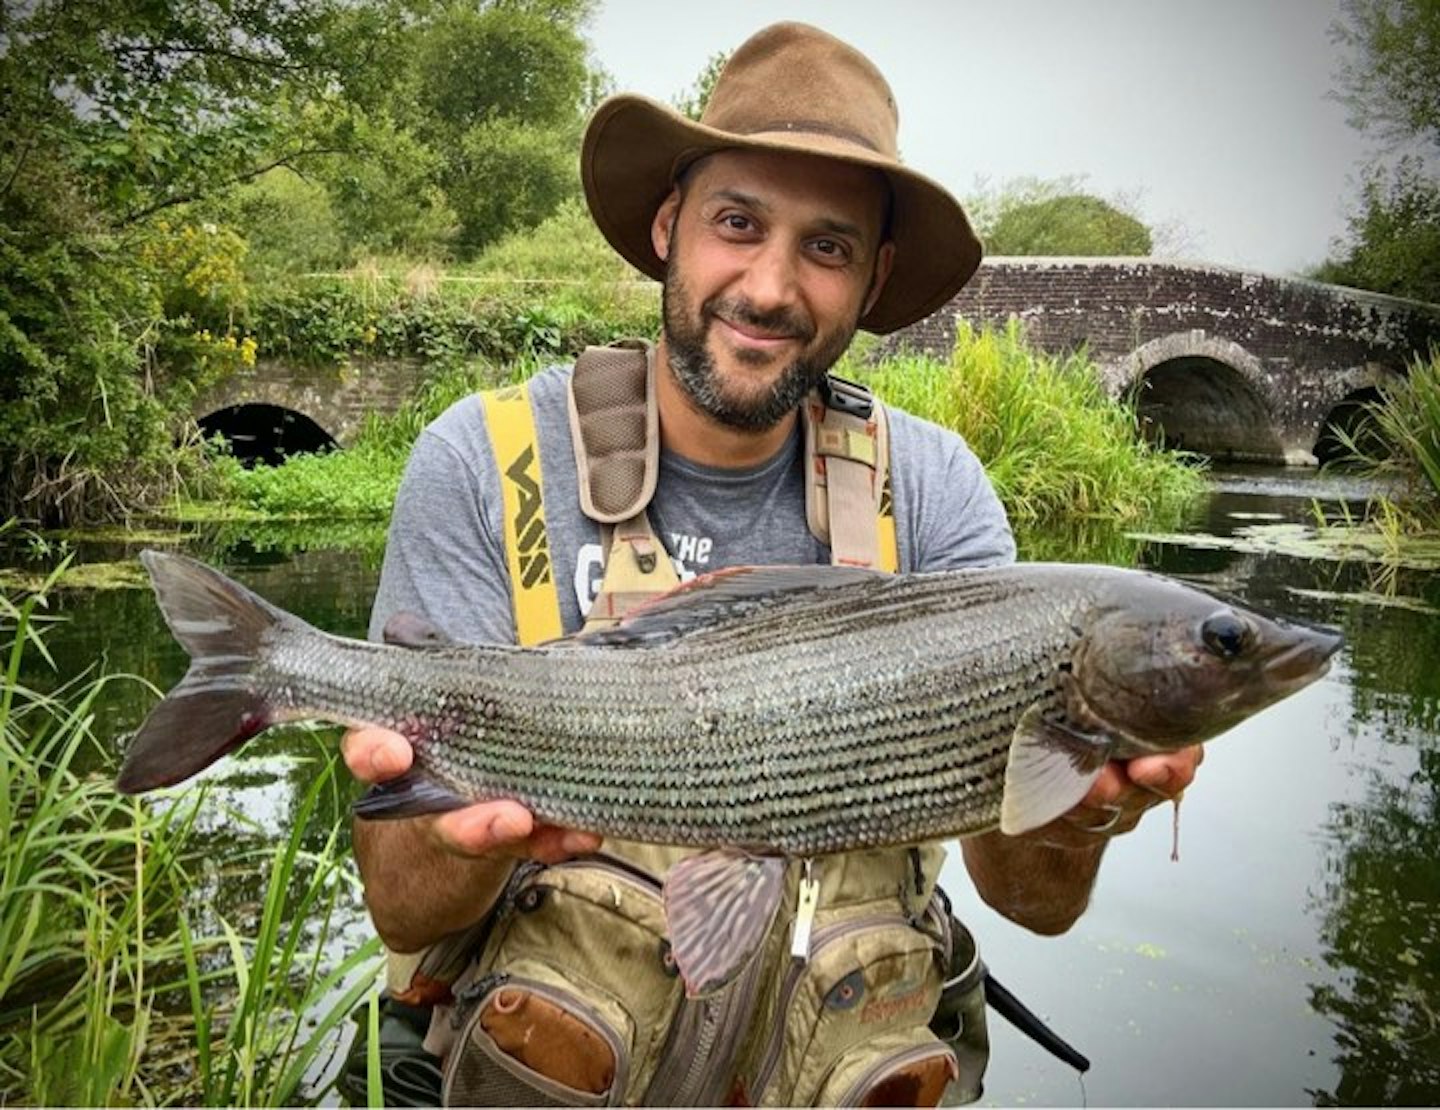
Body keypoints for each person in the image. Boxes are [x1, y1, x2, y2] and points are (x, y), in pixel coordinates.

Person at [341, 21, 1201, 1106]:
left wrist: (1083, 804)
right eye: (737, 224)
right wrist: (468, 842)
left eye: (828, 247)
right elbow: (403, 910)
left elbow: (1031, 902)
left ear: (875, 276)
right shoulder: (488, 462)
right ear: (668, 226)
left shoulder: (933, 493)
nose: (770, 285)